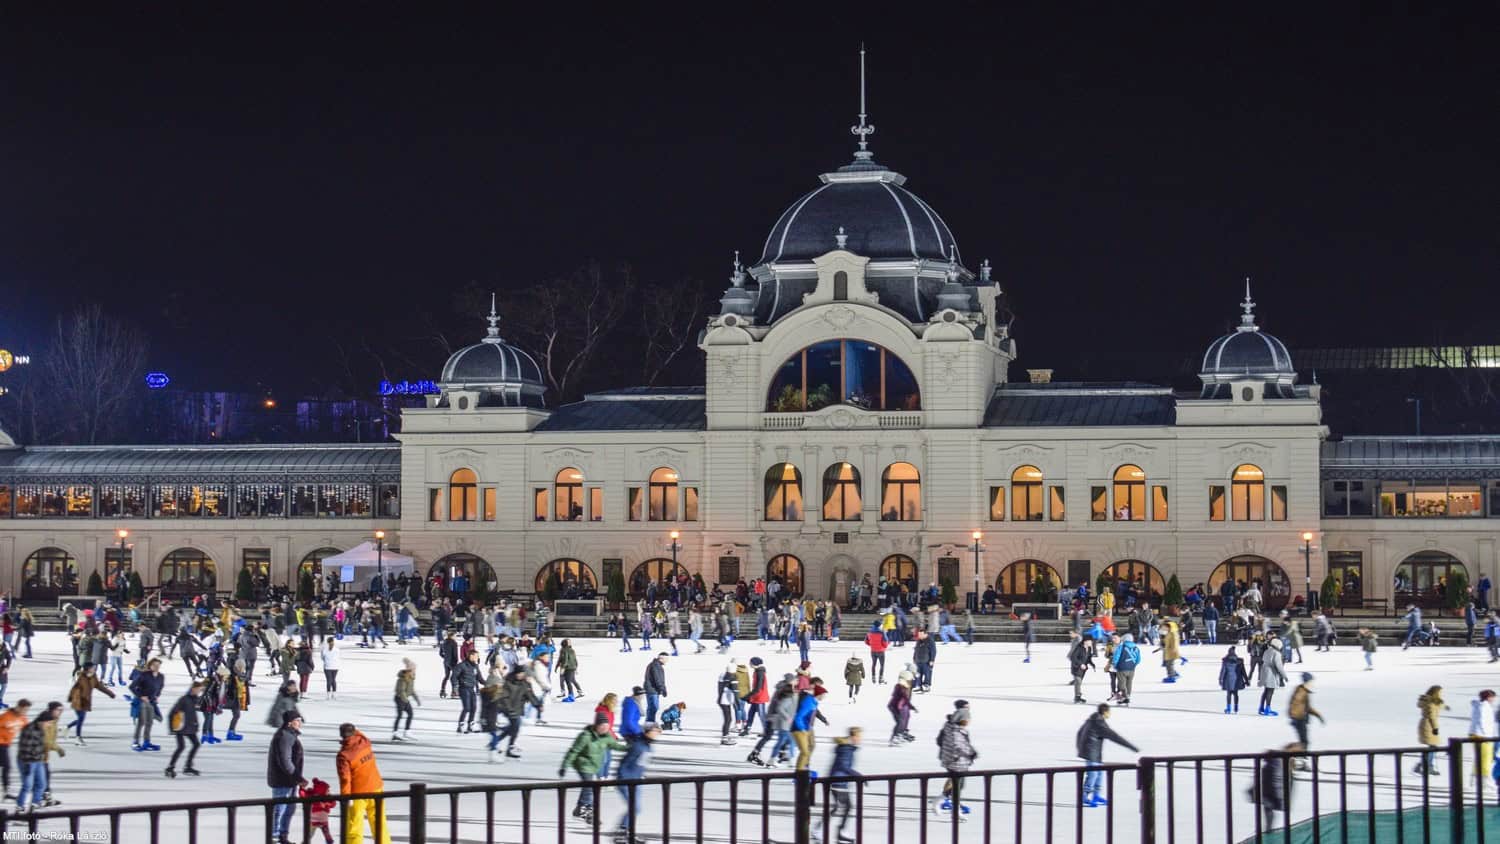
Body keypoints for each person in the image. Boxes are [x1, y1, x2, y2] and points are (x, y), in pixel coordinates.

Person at [560, 713, 627, 823]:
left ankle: (580, 808)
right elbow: (574, 751)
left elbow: (616, 746)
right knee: (589, 787)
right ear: (597, 725)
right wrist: (564, 766)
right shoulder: (585, 736)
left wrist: (629, 748)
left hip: (593, 765)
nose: (605, 729)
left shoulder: (606, 736)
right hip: (582, 764)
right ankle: (587, 811)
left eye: (607, 727)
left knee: (588, 786)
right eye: (603, 726)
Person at [336, 723, 390, 844]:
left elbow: (345, 779)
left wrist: (345, 797)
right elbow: (359, 733)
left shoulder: (344, 755)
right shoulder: (365, 742)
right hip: (376, 787)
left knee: (354, 826)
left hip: (358, 793)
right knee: (379, 822)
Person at [1076, 703, 1138, 808]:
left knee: (1099, 774)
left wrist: (1080, 747)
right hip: (1091, 752)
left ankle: (1096, 795)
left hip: (1094, 752)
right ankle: (1084, 796)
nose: (1110, 714)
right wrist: (1131, 746)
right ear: (1105, 712)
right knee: (1093, 775)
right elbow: (1114, 736)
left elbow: (1079, 733)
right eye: (1109, 712)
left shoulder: (1093, 719)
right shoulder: (1099, 723)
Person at [614, 720, 660, 843]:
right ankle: (621, 833)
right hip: (626, 781)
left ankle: (627, 833)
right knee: (635, 807)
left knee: (636, 808)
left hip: (636, 781)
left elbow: (641, 763)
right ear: (648, 731)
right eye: (655, 731)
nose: (657, 733)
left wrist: (641, 776)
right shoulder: (638, 745)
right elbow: (625, 764)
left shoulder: (647, 745)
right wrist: (624, 779)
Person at [932, 702, 978, 819]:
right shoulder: (955, 731)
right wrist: (971, 753)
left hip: (956, 761)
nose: (969, 721)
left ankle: (940, 801)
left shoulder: (954, 728)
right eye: (968, 719)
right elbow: (959, 745)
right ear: (962, 719)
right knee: (957, 786)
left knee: (959, 785)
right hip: (955, 762)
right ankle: (954, 809)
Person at [15, 702, 63, 813]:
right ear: (43, 721)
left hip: (38, 760)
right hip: (27, 761)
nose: (49, 725)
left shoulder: (41, 729)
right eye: (48, 723)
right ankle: (20, 808)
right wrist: (29, 763)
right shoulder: (30, 730)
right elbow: (25, 749)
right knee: (27, 785)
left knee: (42, 784)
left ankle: (34, 805)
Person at [267, 710, 307, 844]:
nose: (300, 723)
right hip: (283, 780)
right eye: (298, 720)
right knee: (280, 809)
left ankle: (282, 836)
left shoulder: (289, 735)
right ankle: (275, 837)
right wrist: (298, 778)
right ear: (290, 722)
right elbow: (285, 761)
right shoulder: (285, 736)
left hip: (289, 780)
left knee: (289, 809)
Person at [817, 728, 861, 844]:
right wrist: (857, 775)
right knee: (843, 807)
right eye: (858, 736)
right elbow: (843, 766)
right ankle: (824, 830)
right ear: (853, 737)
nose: (860, 739)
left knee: (841, 807)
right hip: (838, 782)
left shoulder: (847, 748)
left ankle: (835, 832)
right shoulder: (846, 749)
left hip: (839, 781)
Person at [64, 663, 114, 744]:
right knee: (81, 719)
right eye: (93, 667)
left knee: (80, 719)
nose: (94, 668)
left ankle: (67, 727)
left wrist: (110, 693)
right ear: (88, 668)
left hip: (86, 701)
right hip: (78, 701)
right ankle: (78, 737)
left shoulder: (93, 677)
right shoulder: (81, 676)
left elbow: (99, 686)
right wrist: (70, 698)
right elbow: (74, 688)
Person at [165, 680, 204, 778]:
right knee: (181, 747)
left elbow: (194, 713)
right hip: (181, 728)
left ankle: (188, 766)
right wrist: (171, 728)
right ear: (193, 689)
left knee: (196, 744)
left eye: (200, 690)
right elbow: (172, 713)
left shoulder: (195, 699)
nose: (199, 692)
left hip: (190, 727)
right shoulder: (184, 699)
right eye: (198, 690)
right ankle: (170, 767)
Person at [1286, 673, 1324, 768]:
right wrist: (1294, 717)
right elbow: (1294, 703)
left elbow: (1307, 707)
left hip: (1300, 719)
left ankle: (1300, 760)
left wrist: (1318, 715)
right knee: (1304, 742)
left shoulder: (1304, 691)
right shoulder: (1301, 691)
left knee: (1304, 742)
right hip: (1299, 719)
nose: (1312, 683)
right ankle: (1299, 760)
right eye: (1311, 681)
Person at [129, 657, 165, 751]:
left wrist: (157, 696)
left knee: (149, 723)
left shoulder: (161, 676)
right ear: (150, 666)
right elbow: (132, 687)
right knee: (141, 722)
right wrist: (141, 696)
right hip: (142, 702)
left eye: (158, 665)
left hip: (152, 702)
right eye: (154, 665)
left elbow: (160, 687)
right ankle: (135, 742)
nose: (157, 667)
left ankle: (146, 742)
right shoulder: (144, 675)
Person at [1468, 689, 1498, 800]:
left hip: (1477, 734)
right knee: (1486, 758)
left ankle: (1476, 780)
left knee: (1480, 758)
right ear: (1488, 697)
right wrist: (1486, 735)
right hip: (1482, 736)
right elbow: (1482, 721)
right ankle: (1485, 781)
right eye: (1492, 697)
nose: (1494, 699)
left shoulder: (1479, 706)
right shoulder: (1484, 707)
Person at [791, 683, 828, 771]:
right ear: (818, 694)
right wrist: (802, 729)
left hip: (805, 728)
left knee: (806, 751)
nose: (824, 697)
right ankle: (799, 774)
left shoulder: (813, 702)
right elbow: (798, 717)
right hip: (798, 730)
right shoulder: (809, 702)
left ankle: (802, 771)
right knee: (805, 752)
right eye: (823, 695)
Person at [1415, 685, 1448, 776]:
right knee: (1433, 747)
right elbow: (1432, 717)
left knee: (1432, 748)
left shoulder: (1432, 701)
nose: (1441, 694)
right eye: (1440, 692)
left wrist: (1445, 707)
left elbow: (1439, 705)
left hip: (1427, 725)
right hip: (1428, 726)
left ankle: (1422, 765)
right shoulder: (1431, 703)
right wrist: (1435, 728)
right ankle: (1427, 766)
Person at [0, 700, 28, 799]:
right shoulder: (5, 716)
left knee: (6, 767)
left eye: (27, 710)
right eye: (24, 710)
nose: (25, 712)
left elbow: (27, 731)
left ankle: (6, 790)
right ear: (18, 707)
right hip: (1, 744)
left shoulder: (23, 719)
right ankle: (6, 790)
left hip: (6, 745)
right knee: (6, 766)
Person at [393, 658, 420, 741]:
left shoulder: (411, 677)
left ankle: (407, 732)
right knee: (400, 715)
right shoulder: (403, 678)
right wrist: (405, 700)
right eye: (414, 669)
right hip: (399, 698)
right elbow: (400, 690)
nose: (415, 670)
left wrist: (417, 699)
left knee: (410, 714)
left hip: (404, 699)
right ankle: (395, 734)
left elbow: (411, 690)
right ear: (410, 669)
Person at [1110, 633, 1141, 706]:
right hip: (1132, 668)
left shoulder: (1121, 646)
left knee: (1121, 683)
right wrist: (1133, 664)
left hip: (1122, 667)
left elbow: (1116, 656)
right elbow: (1138, 659)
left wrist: (1114, 664)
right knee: (1129, 683)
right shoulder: (1136, 647)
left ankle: (1124, 697)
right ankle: (1128, 696)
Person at [1218, 647, 1249, 714]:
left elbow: (1222, 671)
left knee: (1229, 694)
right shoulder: (1239, 661)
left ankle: (1228, 708)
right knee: (1236, 694)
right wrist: (1246, 680)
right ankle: (1236, 707)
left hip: (1228, 680)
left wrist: (1220, 679)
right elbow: (1243, 672)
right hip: (1237, 680)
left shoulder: (1226, 661)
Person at [1067, 631, 1093, 704]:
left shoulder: (1089, 648)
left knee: (1079, 682)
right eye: (1090, 641)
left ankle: (1078, 696)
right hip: (1076, 667)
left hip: (1083, 669)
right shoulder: (1079, 647)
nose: (1091, 642)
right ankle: (1077, 697)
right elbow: (1073, 657)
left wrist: (1091, 663)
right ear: (1085, 641)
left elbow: (1088, 657)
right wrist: (1080, 664)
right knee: (1078, 681)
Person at [643, 652, 669, 723]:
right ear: (661, 658)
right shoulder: (655, 666)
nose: (667, 661)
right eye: (666, 659)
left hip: (654, 689)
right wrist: (662, 689)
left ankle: (649, 722)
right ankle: (649, 722)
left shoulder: (655, 665)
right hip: (652, 689)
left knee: (653, 707)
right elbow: (657, 679)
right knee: (653, 707)